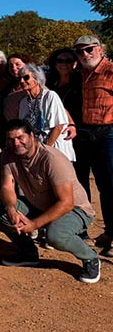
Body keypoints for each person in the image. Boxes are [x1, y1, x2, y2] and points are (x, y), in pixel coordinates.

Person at [0, 120, 100, 283]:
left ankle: (90, 258)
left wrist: (34, 224)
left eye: (20, 137)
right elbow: (7, 187)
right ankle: (28, 253)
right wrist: (10, 209)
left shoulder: (51, 158)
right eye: (11, 139)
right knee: (1, 212)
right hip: (40, 204)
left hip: (75, 209)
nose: (16, 143)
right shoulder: (9, 155)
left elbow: (66, 202)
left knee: (55, 235)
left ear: (32, 136)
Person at [73, 35, 113, 257]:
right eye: (80, 51)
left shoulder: (110, 71)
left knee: (109, 185)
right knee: (83, 184)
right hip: (85, 133)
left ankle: (111, 233)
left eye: (89, 49)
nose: (85, 54)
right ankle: (85, 230)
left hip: (108, 133)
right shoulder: (82, 74)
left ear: (100, 49)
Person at [46, 48, 91, 200]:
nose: (63, 64)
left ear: (75, 63)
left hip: (77, 133)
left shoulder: (82, 82)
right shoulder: (49, 82)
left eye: (68, 60)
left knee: (79, 175)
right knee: (60, 175)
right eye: (60, 60)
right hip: (55, 133)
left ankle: (84, 209)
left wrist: (74, 125)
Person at [17, 64, 75, 162]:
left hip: (56, 150)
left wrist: (45, 150)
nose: (22, 81)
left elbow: (58, 126)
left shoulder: (50, 96)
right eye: (20, 78)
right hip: (37, 152)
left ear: (37, 79)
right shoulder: (23, 102)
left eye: (26, 77)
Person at [2, 54, 30, 122]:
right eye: (11, 66)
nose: (14, 68)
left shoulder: (34, 85)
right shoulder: (8, 87)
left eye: (18, 64)